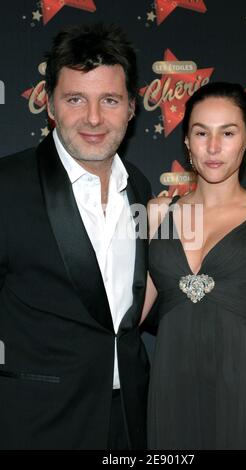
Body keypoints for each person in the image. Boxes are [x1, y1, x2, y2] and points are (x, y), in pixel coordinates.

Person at [0, 23, 152, 450]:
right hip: (38, 422)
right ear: (49, 104)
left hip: (129, 422)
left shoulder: (139, 188)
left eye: (109, 100)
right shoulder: (7, 185)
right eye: (75, 99)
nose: (93, 118)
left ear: (131, 107)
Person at [141, 82, 246, 450]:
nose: (213, 147)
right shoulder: (156, 212)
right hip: (173, 391)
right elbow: (130, 315)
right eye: (201, 133)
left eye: (227, 133)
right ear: (187, 141)